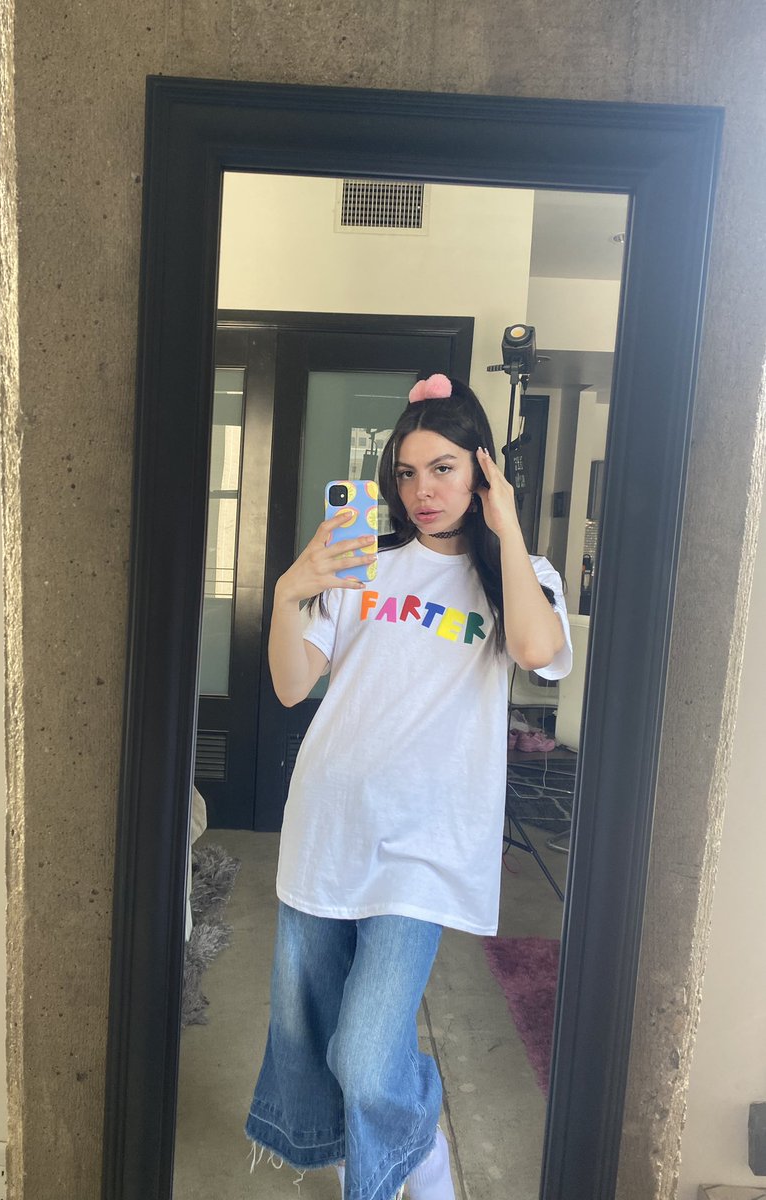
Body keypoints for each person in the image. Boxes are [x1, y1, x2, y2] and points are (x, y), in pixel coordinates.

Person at [245, 374, 572, 1200]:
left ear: (482, 471)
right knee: (310, 1027)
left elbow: (537, 652)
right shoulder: (366, 566)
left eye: (444, 469)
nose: (423, 490)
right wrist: (289, 591)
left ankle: (412, 1138)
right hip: (328, 825)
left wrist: (506, 525)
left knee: (363, 1052)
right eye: (407, 472)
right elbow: (291, 684)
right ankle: (371, 1149)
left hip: (426, 845)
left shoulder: (521, 577)